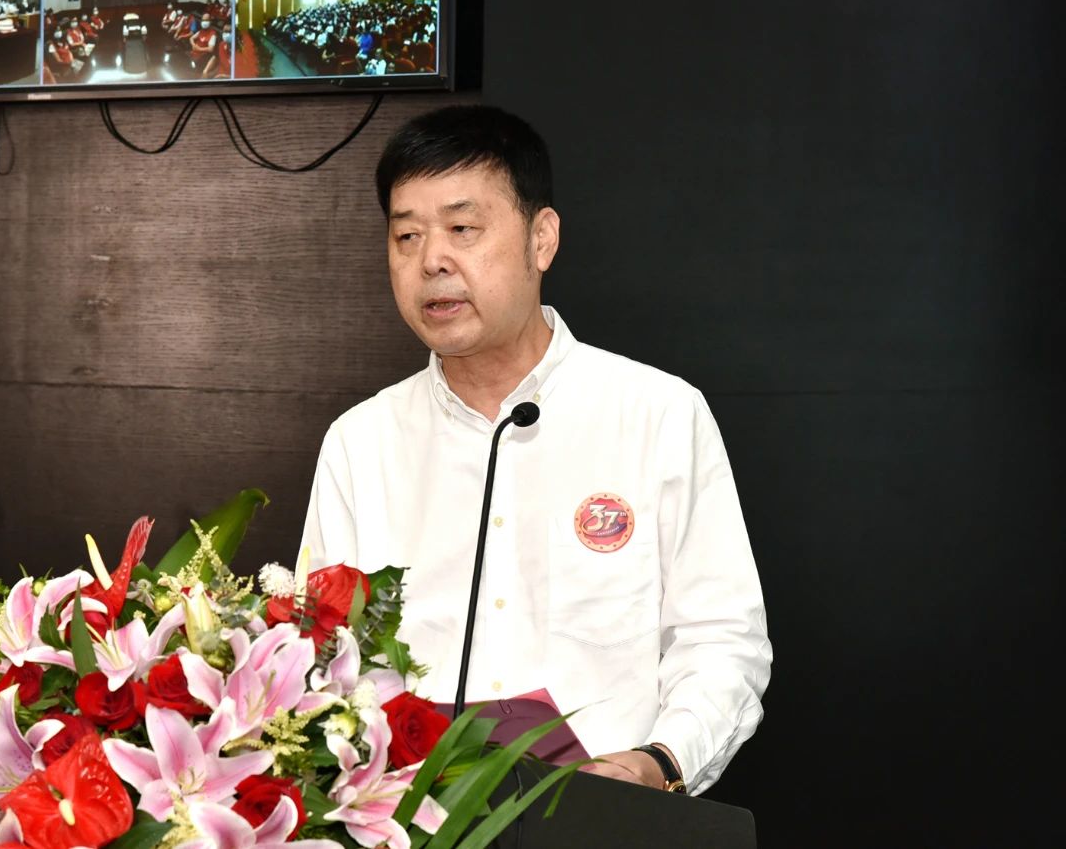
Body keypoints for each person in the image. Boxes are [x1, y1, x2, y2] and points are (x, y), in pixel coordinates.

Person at [299, 105, 772, 795]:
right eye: (407, 235)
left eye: (463, 229)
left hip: (606, 815)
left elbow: (722, 638)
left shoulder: (658, 414)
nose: (432, 260)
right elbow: (322, 654)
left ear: (541, 239)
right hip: (411, 818)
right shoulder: (360, 442)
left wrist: (662, 760)